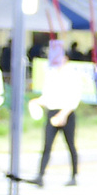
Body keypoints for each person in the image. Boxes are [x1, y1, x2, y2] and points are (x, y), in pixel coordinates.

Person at [34, 49, 84, 186]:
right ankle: (40, 176)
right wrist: (36, 102)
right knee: (47, 145)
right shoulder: (50, 74)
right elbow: (46, 95)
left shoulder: (72, 74)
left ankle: (74, 175)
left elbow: (75, 97)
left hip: (67, 113)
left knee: (70, 145)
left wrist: (64, 114)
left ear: (66, 58)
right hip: (52, 111)